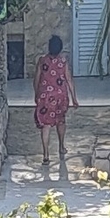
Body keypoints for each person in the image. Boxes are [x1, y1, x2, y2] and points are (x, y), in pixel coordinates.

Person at [32, 31, 75, 182]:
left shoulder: (42, 60)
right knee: (61, 121)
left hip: (45, 97)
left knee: (46, 126)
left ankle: (45, 155)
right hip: (60, 96)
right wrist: (74, 98)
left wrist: (37, 94)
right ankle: (61, 147)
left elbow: (37, 78)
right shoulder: (63, 62)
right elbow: (68, 79)